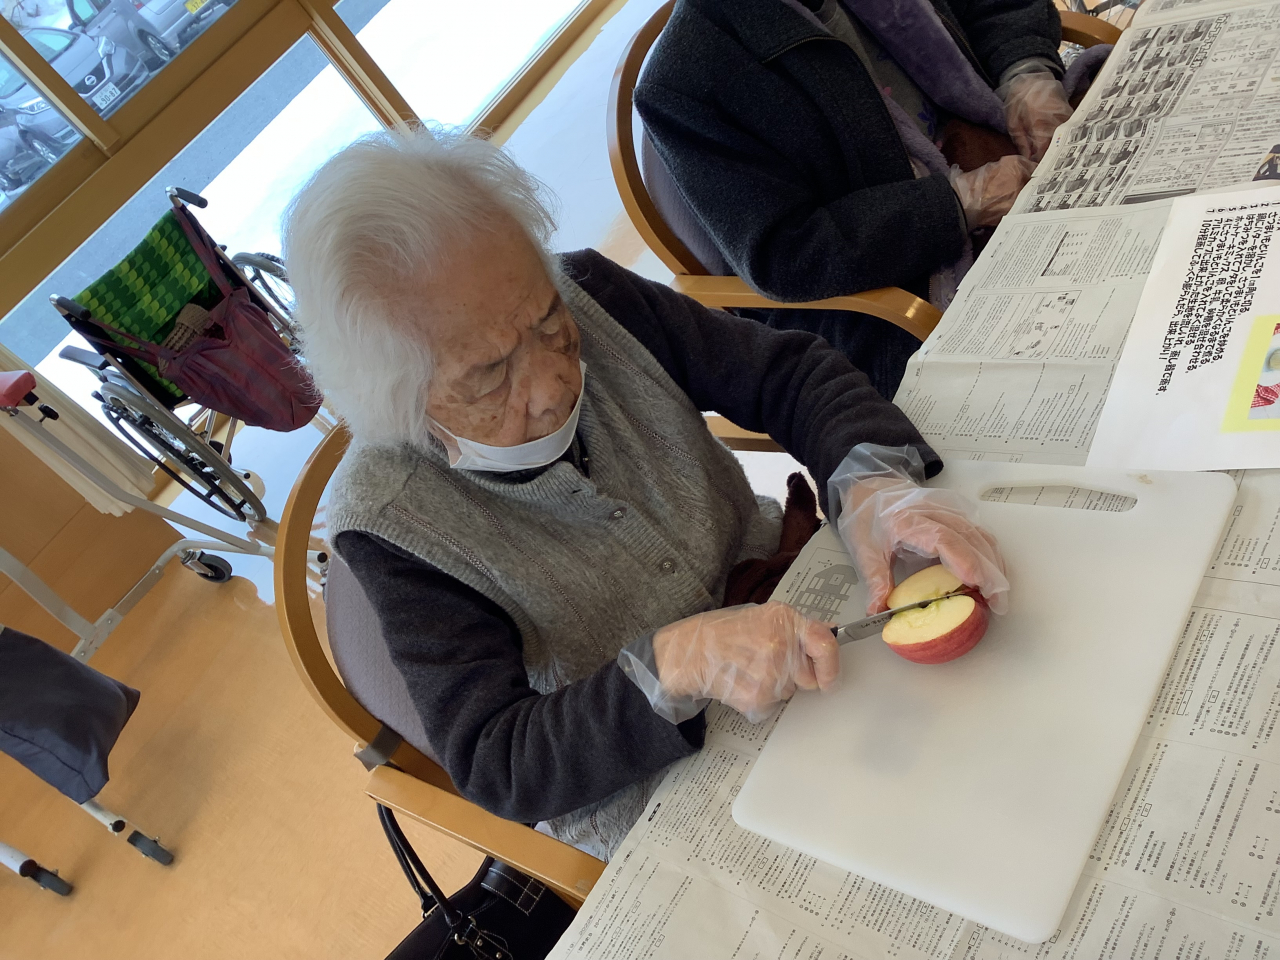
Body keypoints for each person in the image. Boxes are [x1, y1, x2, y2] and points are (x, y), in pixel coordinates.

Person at [284, 129, 1008, 859]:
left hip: (798, 608)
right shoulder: (391, 521)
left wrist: (873, 483)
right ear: (400, 397)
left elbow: (786, 376)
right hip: (655, 780)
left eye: (549, 324)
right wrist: (673, 666)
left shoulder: (593, 294)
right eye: (490, 376)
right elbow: (500, 761)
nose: (553, 386)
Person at [634, 0, 1074, 398]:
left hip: (1003, 158)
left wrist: (1025, 71)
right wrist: (959, 203)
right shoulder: (681, 82)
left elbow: (999, 7)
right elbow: (790, 254)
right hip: (897, 283)